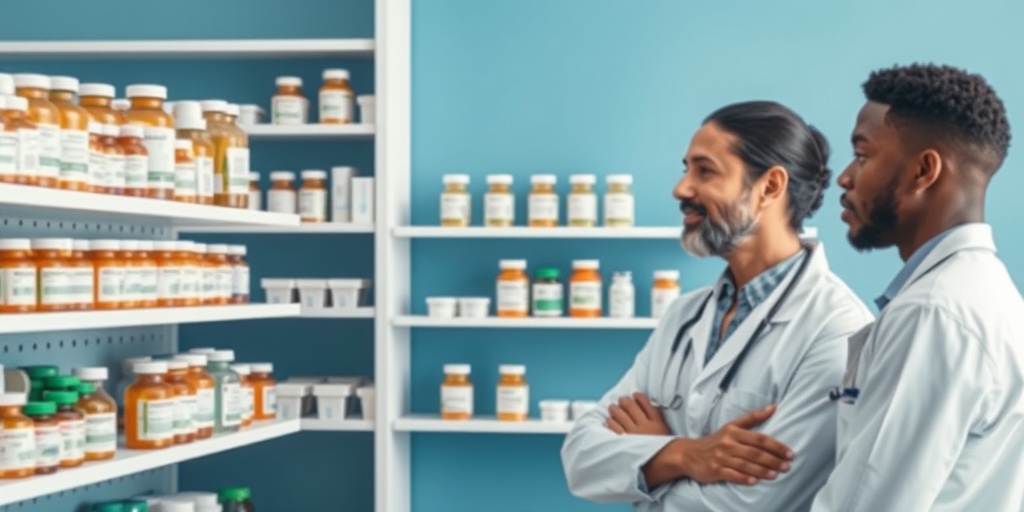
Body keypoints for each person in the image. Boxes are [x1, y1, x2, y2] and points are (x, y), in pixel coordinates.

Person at [561, 100, 872, 511]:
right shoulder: (683, 317)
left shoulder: (836, 330)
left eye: (704, 171)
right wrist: (686, 455)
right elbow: (581, 457)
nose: (681, 188)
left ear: (770, 187)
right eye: (686, 168)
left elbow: (751, 504)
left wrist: (650, 459)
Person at [812, 64, 1024, 511]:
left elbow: (869, 503)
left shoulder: (934, 312)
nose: (845, 178)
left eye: (863, 155)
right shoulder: (989, 292)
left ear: (924, 170)